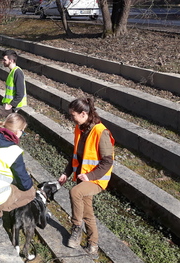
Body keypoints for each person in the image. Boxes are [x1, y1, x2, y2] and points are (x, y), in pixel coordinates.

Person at [58, 97, 115, 257]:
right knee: (87, 212)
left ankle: (76, 228)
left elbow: (108, 161)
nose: (71, 118)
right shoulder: (80, 128)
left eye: (73, 115)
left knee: (75, 192)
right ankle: (93, 245)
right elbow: (75, 155)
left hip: (97, 179)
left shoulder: (100, 132)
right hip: (83, 177)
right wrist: (66, 172)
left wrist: (90, 176)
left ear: (84, 114)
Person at [0, 49, 27, 117]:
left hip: (13, 106)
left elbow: (20, 93)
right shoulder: (12, 71)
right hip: (10, 105)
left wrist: (11, 105)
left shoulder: (17, 72)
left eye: (5, 60)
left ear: (11, 60)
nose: (3, 61)